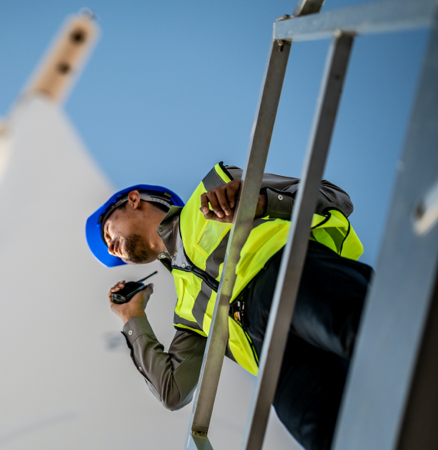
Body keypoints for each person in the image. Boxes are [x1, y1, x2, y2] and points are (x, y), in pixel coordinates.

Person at [85, 162, 373, 450]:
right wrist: (132, 317)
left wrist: (260, 203)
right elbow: (173, 392)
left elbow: (335, 197)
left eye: (108, 233)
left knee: (369, 337)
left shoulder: (215, 191)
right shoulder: (186, 309)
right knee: (330, 437)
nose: (111, 248)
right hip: (270, 355)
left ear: (134, 200)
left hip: (287, 273)